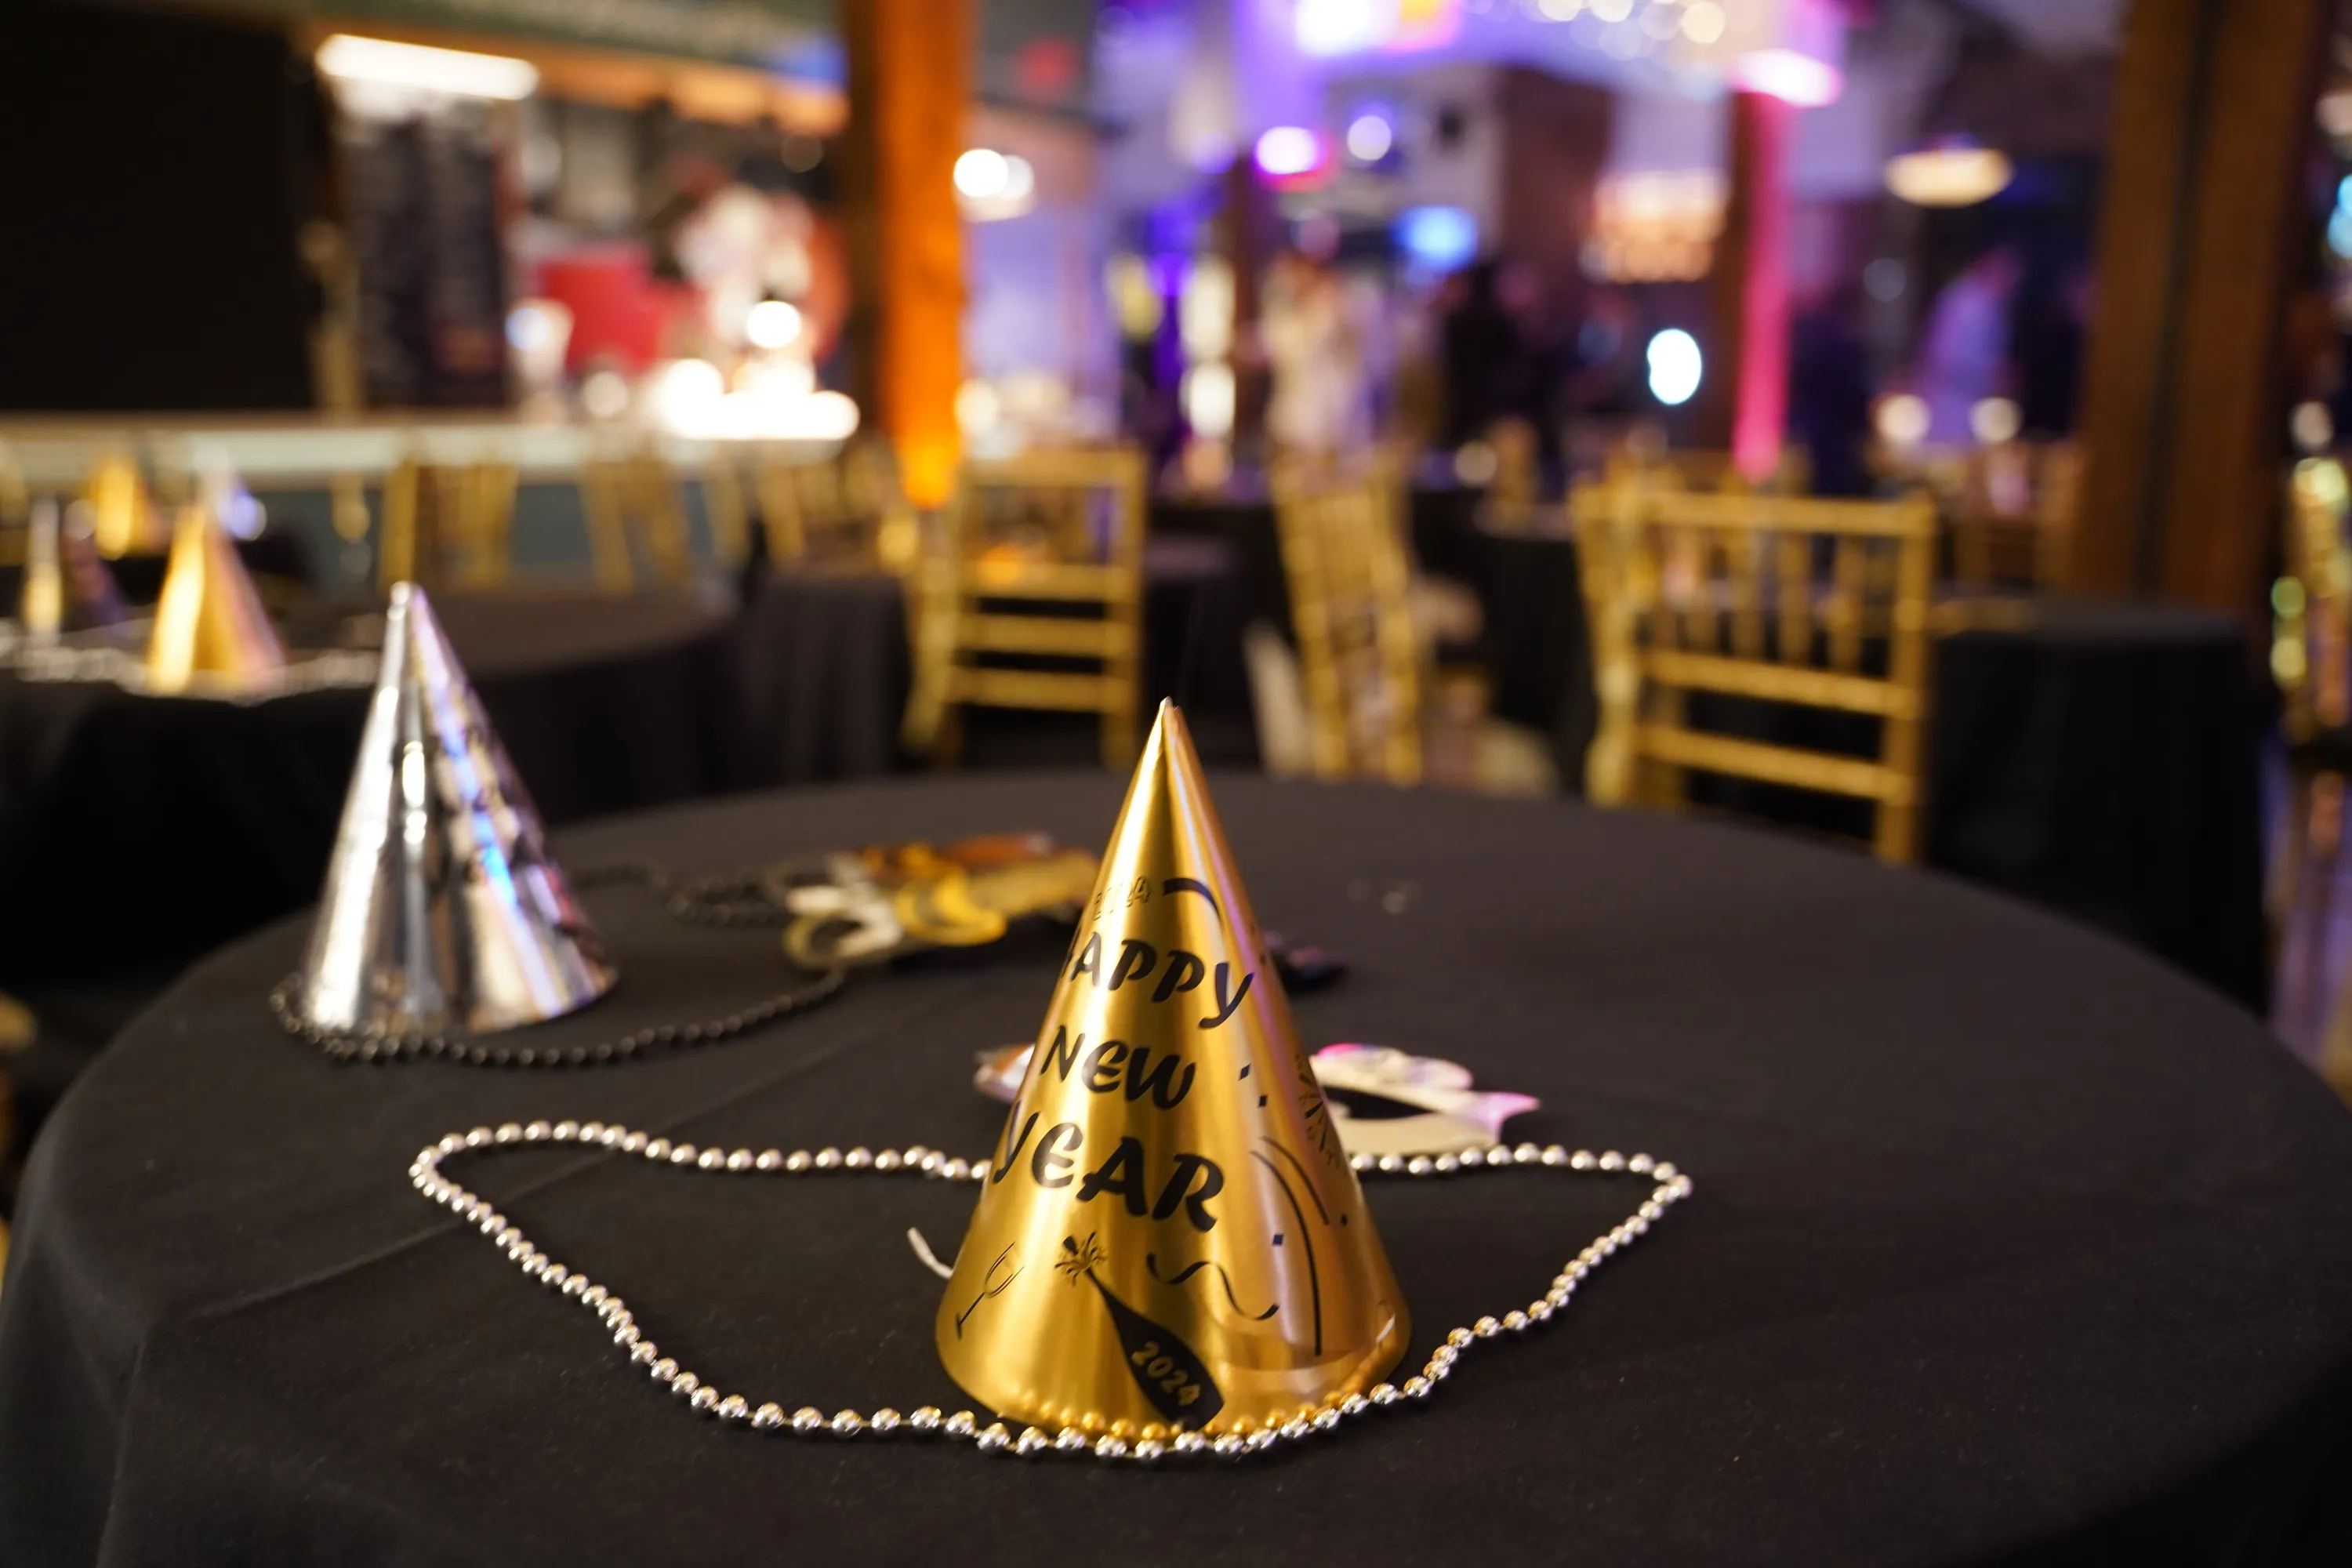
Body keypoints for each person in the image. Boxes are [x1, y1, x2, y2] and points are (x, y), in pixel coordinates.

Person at [1914, 246, 2021, 445]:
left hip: (1972, 402)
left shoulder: (1987, 304)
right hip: (1953, 400)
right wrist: (1994, 376)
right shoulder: (1967, 304)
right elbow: (1947, 358)